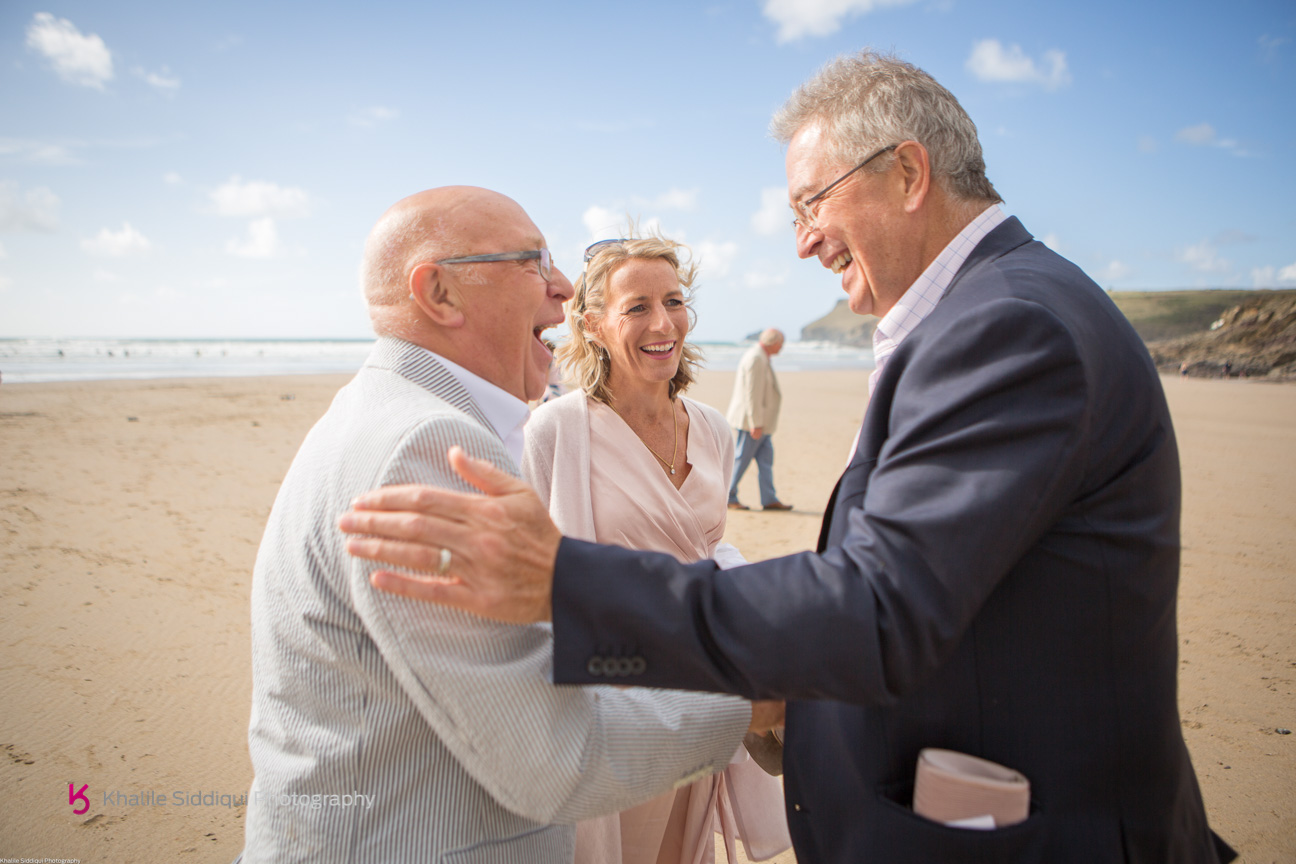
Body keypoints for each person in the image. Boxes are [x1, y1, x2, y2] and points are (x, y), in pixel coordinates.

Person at [339, 53, 1236, 863]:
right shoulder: (994, 312)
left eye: (813, 203)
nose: (803, 238)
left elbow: (880, 605)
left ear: (909, 171)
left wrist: (566, 581)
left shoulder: (1009, 325)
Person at [238, 187, 774, 864]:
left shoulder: (385, 414)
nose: (561, 288)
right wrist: (755, 703)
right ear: (440, 294)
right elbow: (552, 752)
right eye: (533, 262)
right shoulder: (426, 445)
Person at [523, 234, 790, 864]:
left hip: (701, 694)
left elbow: (713, 552)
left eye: (673, 301)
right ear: (592, 324)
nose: (662, 322)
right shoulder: (555, 430)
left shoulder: (715, 431)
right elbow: (533, 576)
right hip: (609, 710)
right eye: (636, 306)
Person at [725, 328, 790, 511]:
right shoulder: (756, 358)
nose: (782, 347)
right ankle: (728, 497)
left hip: (762, 423)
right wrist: (756, 423)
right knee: (741, 459)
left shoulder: (761, 356)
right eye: (781, 343)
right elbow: (752, 394)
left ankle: (769, 499)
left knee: (765, 461)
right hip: (752, 422)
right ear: (773, 342)